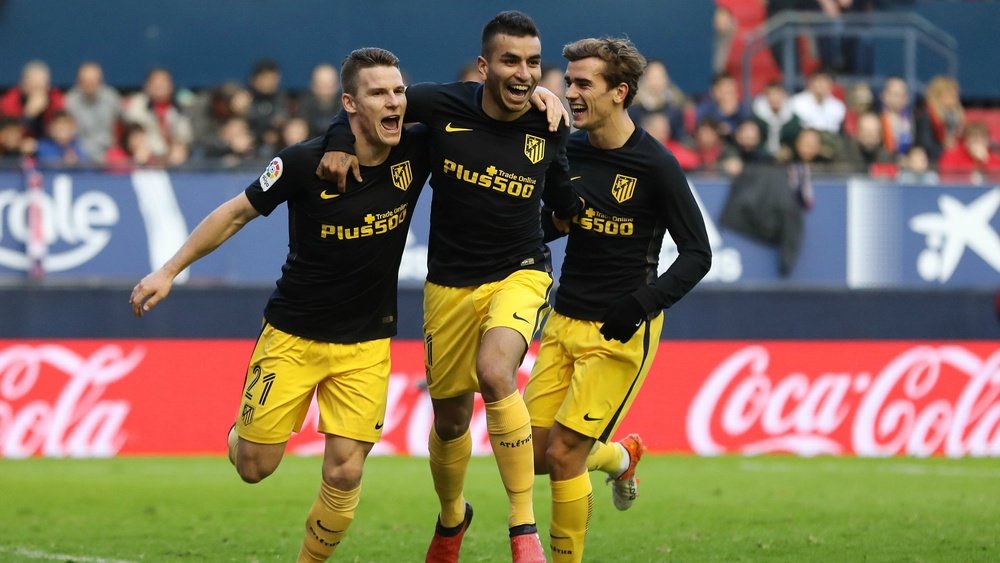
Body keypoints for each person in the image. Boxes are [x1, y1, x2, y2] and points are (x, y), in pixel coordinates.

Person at [129, 47, 431, 563]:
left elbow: (484, 115)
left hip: (367, 341)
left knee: (346, 469)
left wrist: (538, 94)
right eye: (379, 93)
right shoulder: (302, 162)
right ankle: (241, 433)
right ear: (350, 104)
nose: (394, 102)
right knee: (254, 466)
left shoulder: (417, 150)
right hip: (293, 335)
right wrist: (168, 270)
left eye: (399, 91)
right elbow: (234, 214)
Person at [317, 11, 581, 563]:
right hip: (449, 285)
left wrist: (574, 213)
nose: (524, 73)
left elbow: (562, 205)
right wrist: (339, 137)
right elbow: (375, 107)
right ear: (485, 66)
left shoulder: (548, 127)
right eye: (510, 60)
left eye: (534, 62)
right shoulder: (440, 104)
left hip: (521, 272)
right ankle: (452, 516)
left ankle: (522, 525)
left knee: (495, 370)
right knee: (451, 420)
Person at [525, 38, 711, 562]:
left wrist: (644, 303)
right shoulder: (568, 151)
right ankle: (621, 456)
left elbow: (698, 254)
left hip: (621, 330)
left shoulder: (656, 165)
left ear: (619, 93)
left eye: (584, 83)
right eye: (569, 81)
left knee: (563, 456)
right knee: (530, 454)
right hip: (564, 319)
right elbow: (553, 225)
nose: (571, 92)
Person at [64, 61, 122, 165]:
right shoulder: (69, 101)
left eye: (94, 80)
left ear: (101, 81)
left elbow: (126, 125)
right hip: (79, 156)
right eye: (86, 81)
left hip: (109, 154)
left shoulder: (111, 98)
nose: (90, 84)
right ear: (79, 81)